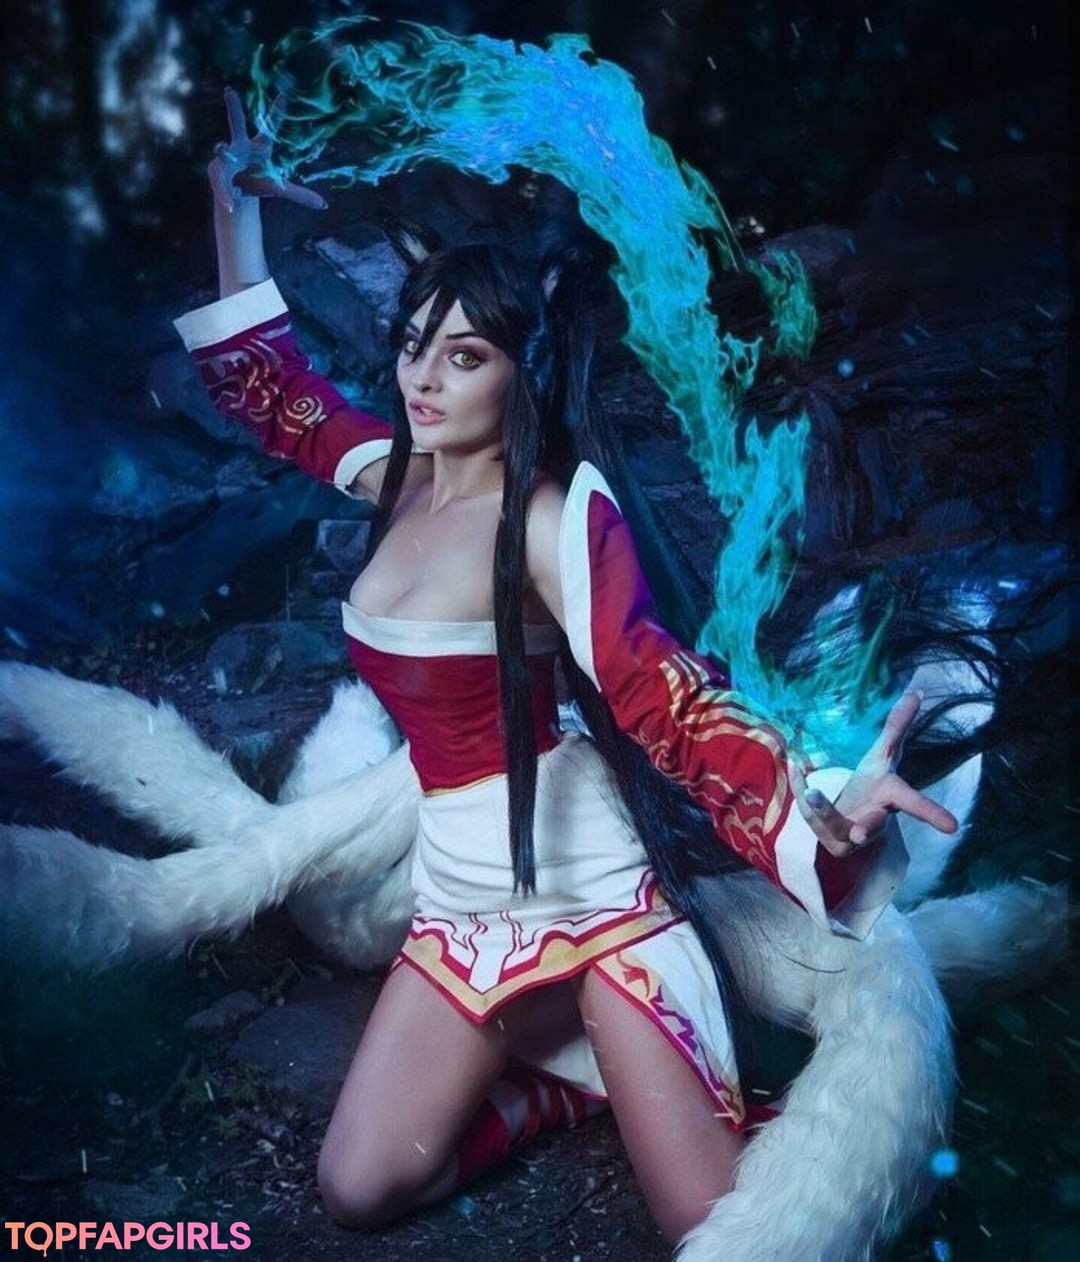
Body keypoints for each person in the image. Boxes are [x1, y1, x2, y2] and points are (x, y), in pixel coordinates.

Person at [173, 89, 957, 1245]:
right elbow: (280, 401)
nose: (424, 378)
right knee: (360, 1185)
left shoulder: (554, 516)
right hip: (460, 899)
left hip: (594, 891)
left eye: (464, 356)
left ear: (520, 374)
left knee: (708, 1218)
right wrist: (233, 215)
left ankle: (620, 1040)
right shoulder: (393, 473)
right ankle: (556, 1087)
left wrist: (823, 814)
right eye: (413, 346)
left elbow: (660, 696)